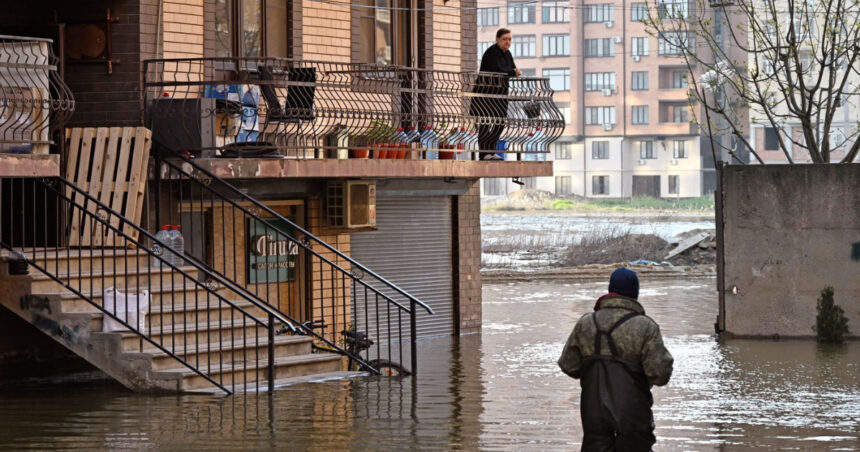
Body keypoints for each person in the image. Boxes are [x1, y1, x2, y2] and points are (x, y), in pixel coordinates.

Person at [558, 267, 674, 451]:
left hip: (593, 413)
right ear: (635, 293)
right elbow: (660, 375)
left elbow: (568, 365)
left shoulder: (586, 323)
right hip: (633, 414)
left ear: (610, 290)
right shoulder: (646, 326)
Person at [472, 28, 521, 160]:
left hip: (500, 96)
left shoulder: (507, 54)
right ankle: (484, 154)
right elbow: (499, 70)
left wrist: (513, 72)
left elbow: (512, 68)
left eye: (509, 39)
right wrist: (512, 72)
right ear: (497, 39)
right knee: (485, 123)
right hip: (485, 96)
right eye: (504, 39)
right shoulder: (492, 52)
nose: (507, 42)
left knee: (500, 122)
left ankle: (490, 150)